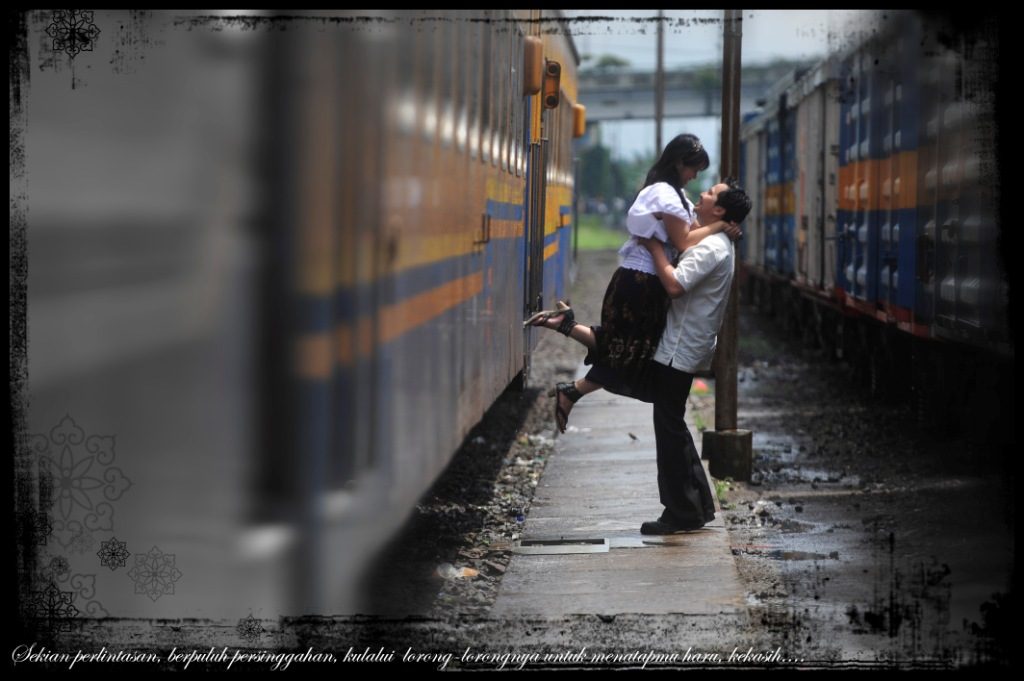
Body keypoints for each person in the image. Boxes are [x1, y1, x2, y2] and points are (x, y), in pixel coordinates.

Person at [533, 179, 753, 534]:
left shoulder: (712, 248)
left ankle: (681, 512)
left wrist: (653, 247)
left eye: (709, 194)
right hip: (680, 346)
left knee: (669, 430)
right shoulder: (715, 240)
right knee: (670, 423)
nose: (701, 195)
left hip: (679, 350)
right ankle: (694, 505)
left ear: (721, 209)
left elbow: (675, 284)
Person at [525, 134, 738, 432]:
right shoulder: (665, 195)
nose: (694, 177)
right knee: (631, 354)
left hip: (640, 282)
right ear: (679, 163)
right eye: (694, 169)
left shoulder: (672, 195)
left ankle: (566, 336)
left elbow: (689, 235)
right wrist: (719, 226)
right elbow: (685, 241)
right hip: (641, 284)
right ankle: (570, 383)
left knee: (625, 349)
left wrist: (717, 227)